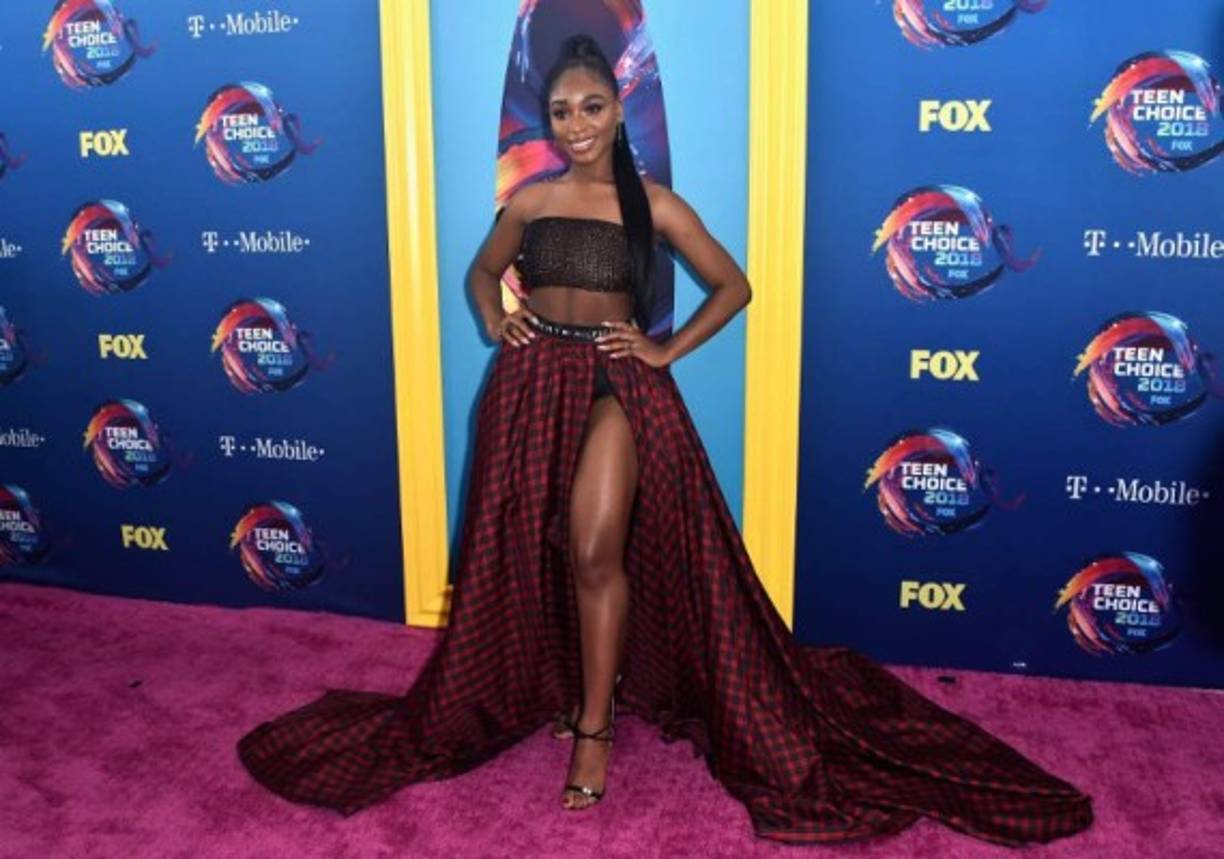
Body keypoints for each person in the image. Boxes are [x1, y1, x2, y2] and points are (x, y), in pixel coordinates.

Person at [237, 34, 1092, 845]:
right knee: (527, 552)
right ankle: (559, 683)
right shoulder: (528, 200)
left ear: (619, 107)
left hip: (620, 383)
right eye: (563, 111)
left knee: (594, 543)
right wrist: (498, 318)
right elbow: (478, 270)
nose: (576, 126)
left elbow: (734, 285)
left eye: (593, 107)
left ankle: (594, 726)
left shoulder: (654, 205)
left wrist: (664, 348)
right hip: (532, 388)